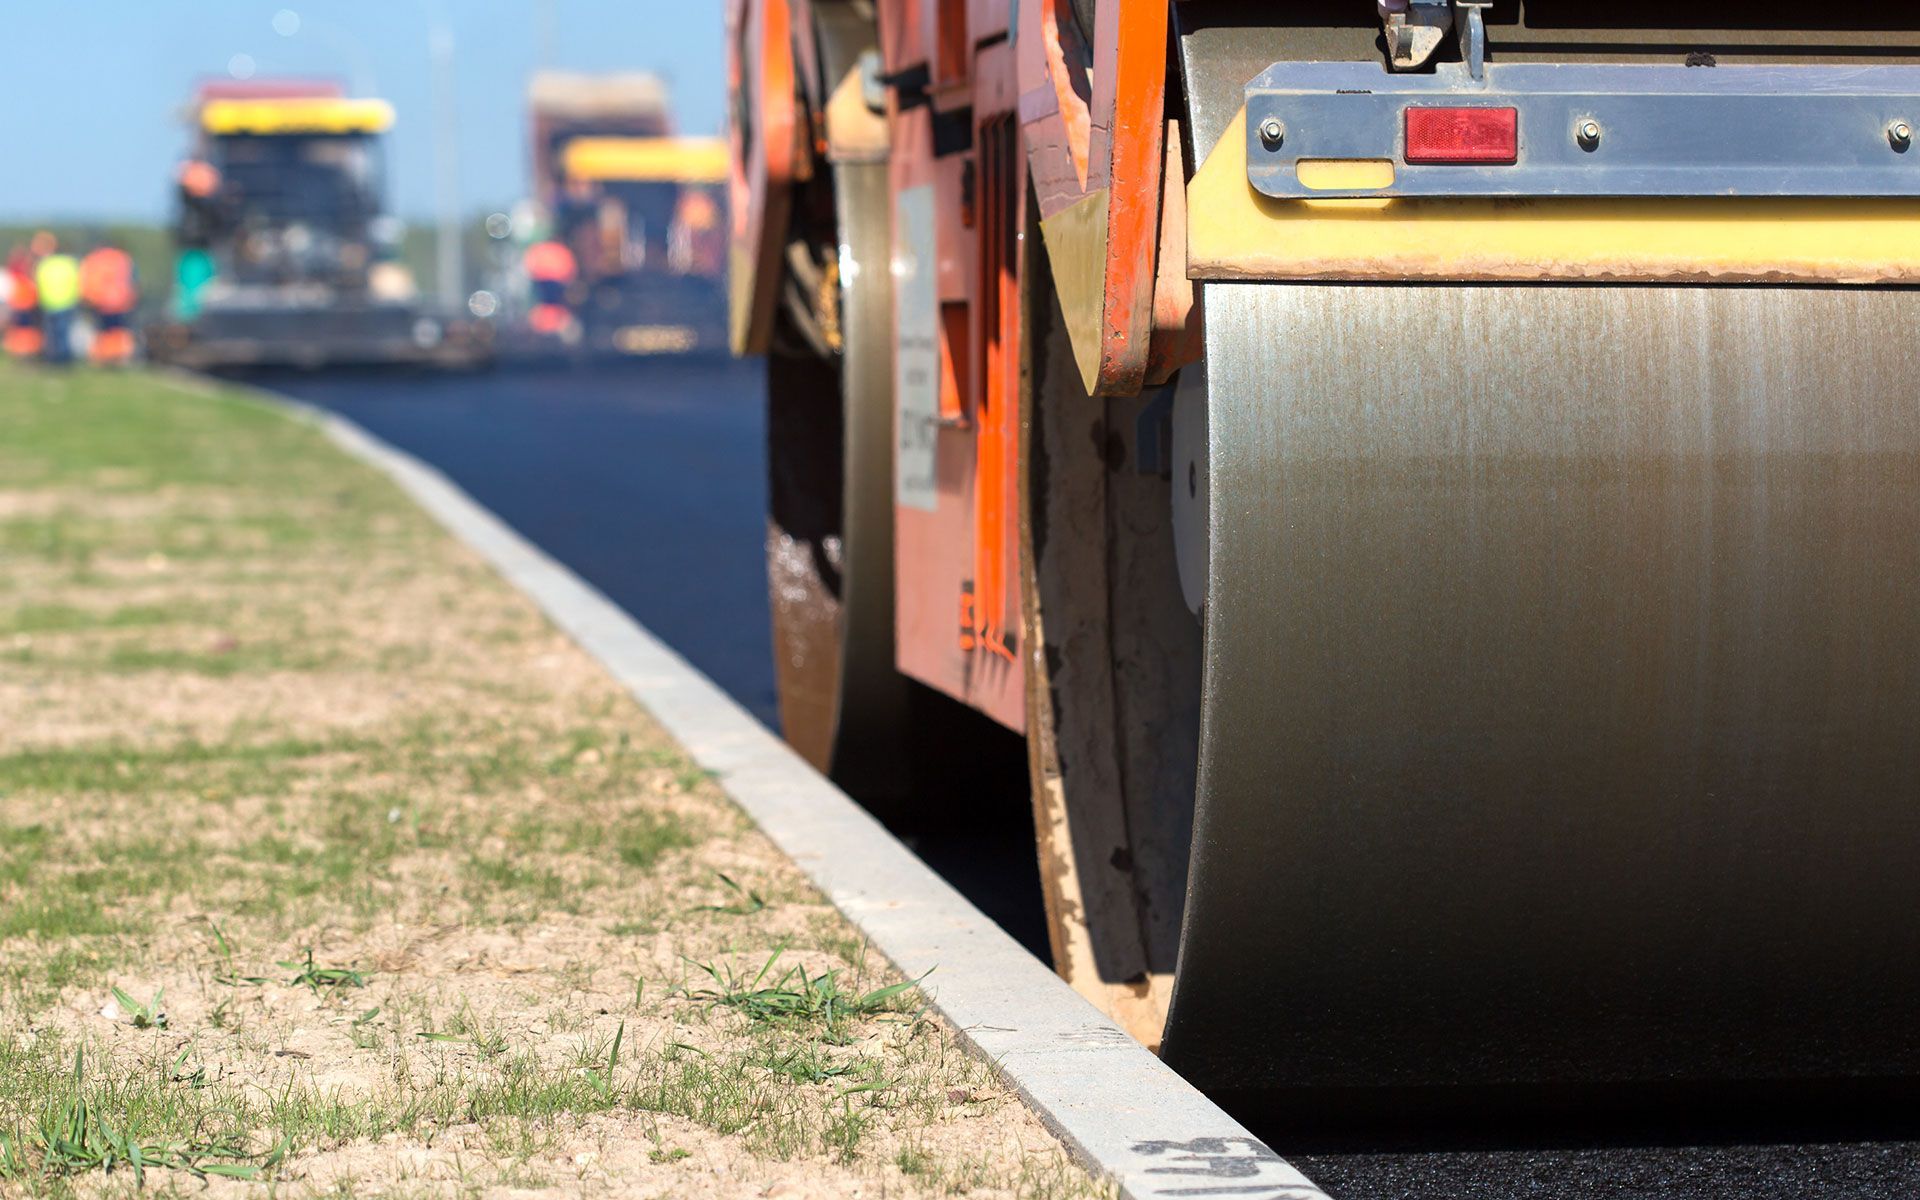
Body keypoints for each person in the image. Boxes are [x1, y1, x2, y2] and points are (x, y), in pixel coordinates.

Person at [80, 241, 139, 365]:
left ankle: (102, 358)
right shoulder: (122, 258)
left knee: (101, 331)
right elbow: (132, 280)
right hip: (121, 301)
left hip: (99, 301)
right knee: (119, 331)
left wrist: (88, 298)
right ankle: (119, 357)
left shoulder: (94, 258)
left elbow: (86, 280)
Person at [31, 235, 80, 365]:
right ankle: (64, 360)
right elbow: (78, 282)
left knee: (51, 335)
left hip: (49, 303)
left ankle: (53, 360)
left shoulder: (44, 264)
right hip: (66, 302)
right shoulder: (70, 263)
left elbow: (37, 283)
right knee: (63, 334)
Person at [2, 246, 41, 358]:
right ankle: (22, 351)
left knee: (25, 331)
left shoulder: (22, 276)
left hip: (25, 305)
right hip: (21, 305)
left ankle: (25, 351)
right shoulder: (19, 276)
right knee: (21, 330)